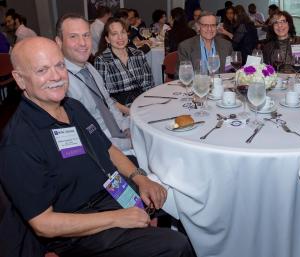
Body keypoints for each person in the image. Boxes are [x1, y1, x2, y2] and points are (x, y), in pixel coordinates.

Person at [0, 37, 194, 257]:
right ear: (20, 79)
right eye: (42, 70)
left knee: (177, 197)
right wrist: (117, 218)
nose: (56, 76)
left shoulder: (72, 106)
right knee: (176, 246)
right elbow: (43, 223)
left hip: (111, 190)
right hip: (80, 226)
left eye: (59, 65)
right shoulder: (18, 142)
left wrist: (141, 178)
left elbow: (107, 149)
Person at [55, 14, 133, 154]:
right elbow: (79, 140)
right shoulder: (59, 83)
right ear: (59, 42)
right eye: (73, 36)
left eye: (86, 35)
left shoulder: (90, 68)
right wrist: (127, 143)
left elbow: (108, 102)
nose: (83, 43)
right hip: (104, 149)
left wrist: (125, 128)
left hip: (118, 133)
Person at [94, 18, 154, 105]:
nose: (120, 37)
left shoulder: (138, 54)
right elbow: (103, 96)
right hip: (119, 109)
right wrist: (128, 111)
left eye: (123, 32)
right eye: (114, 34)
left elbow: (149, 84)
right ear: (107, 39)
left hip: (143, 103)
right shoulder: (102, 60)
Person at [177, 11, 233, 77]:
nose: (209, 29)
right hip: (197, 86)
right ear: (198, 27)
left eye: (213, 25)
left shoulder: (226, 45)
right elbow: (181, 75)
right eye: (205, 25)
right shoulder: (185, 47)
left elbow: (229, 71)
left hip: (220, 85)